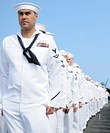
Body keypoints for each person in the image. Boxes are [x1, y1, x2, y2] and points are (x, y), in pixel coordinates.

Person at [0, 2, 63, 132]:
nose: (24, 17)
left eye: (27, 13)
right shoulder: (7, 42)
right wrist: (2, 101)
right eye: (20, 14)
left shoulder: (47, 41)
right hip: (11, 103)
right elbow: (3, 74)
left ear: (36, 16)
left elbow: (56, 72)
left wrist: (52, 101)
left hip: (37, 103)